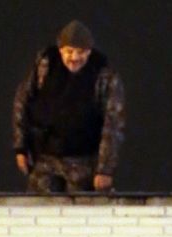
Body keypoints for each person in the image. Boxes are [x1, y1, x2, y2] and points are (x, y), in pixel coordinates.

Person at [13, 19, 125, 193]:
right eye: (69, 51)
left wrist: (104, 169)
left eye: (80, 52)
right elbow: (22, 102)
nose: (74, 58)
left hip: (84, 162)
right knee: (39, 211)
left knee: (80, 215)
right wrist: (21, 146)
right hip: (45, 158)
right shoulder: (45, 65)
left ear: (89, 52)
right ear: (60, 50)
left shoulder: (104, 74)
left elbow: (113, 123)